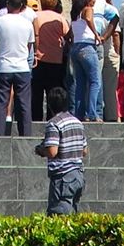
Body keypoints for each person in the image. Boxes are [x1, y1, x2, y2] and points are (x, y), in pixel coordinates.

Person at [35, 85, 88, 214]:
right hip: (78, 175)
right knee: (73, 216)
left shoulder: (54, 123)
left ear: (50, 104)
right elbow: (84, 151)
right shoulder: (77, 122)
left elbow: (52, 151)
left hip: (63, 177)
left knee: (59, 215)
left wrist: (41, 150)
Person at [0, 0, 35, 135]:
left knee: (1, 104)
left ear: (7, 4)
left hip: (3, 66)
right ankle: (25, 135)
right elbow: (29, 46)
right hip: (22, 67)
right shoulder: (28, 23)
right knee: (24, 105)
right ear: (22, 6)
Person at [32, 0, 69, 121]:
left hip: (38, 59)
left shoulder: (35, 16)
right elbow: (68, 35)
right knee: (52, 92)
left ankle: (36, 119)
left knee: (36, 93)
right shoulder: (60, 18)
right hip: (55, 60)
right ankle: (52, 118)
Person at [92, 0, 120, 121]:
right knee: (109, 88)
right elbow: (116, 33)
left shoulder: (93, 6)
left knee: (96, 82)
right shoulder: (110, 8)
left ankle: (97, 113)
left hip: (99, 48)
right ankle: (112, 117)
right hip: (109, 49)